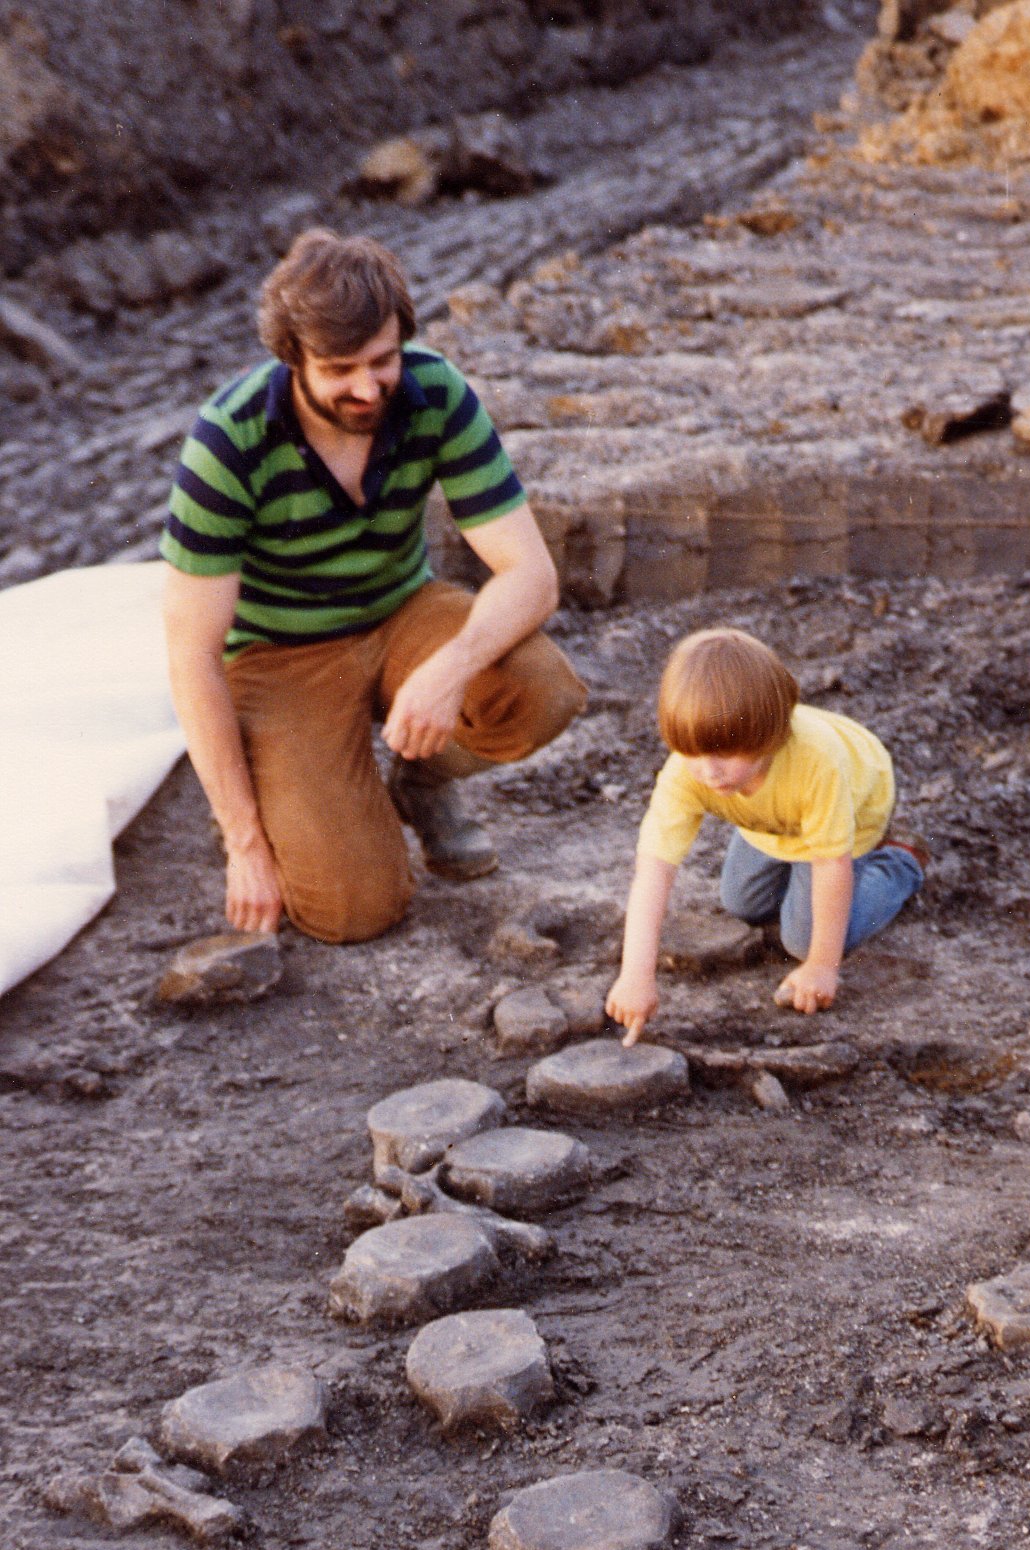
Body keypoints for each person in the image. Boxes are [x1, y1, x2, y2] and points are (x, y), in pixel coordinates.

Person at [160, 228, 586, 944]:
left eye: (383, 361)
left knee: (542, 690)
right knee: (352, 911)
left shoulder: (435, 392)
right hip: (278, 655)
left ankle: (420, 782)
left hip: (400, 613)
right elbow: (192, 654)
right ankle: (284, 793)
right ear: (292, 358)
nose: (367, 388)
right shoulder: (227, 441)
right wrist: (245, 845)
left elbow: (532, 576)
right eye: (340, 369)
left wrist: (449, 669)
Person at [605, 627, 926, 1043]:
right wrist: (635, 976)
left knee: (802, 939)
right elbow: (654, 871)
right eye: (693, 752)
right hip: (774, 819)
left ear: (770, 738)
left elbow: (831, 864)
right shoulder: (687, 772)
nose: (708, 771)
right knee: (741, 903)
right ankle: (792, 865)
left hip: (856, 801)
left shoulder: (818, 765)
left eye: (726, 753)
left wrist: (821, 966)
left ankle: (900, 863)